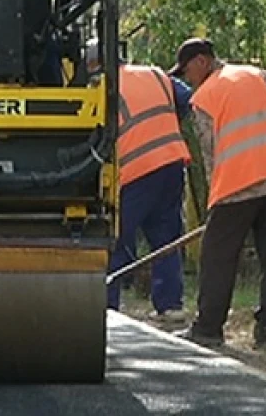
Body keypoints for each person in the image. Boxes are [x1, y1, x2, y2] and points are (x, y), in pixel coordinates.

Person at [170, 37, 266, 351]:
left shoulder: (204, 97)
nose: (187, 80)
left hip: (236, 185)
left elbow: (211, 155)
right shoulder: (257, 76)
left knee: (217, 256)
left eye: (186, 72)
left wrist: (216, 204)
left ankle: (208, 328)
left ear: (201, 61)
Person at [87, 42, 193, 324]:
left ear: (93, 65)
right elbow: (186, 99)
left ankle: (108, 305)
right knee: (167, 235)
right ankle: (170, 305)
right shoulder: (155, 74)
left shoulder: (102, 86)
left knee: (117, 236)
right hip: (172, 160)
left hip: (136, 168)